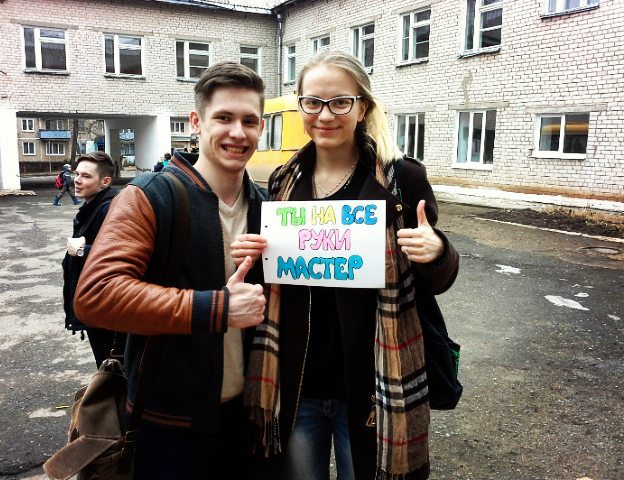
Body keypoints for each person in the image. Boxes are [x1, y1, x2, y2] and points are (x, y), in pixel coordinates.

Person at [235, 50, 460, 480]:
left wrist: (437, 251)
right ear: (300, 105)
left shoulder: (400, 178)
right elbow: (279, 274)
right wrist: (253, 254)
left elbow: (437, 278)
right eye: (313, 102)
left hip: (375, 386)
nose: (325, 115)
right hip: (298, 382)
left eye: (340, 102)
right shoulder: (284, 181)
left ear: (362, 107)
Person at [74, 62, 267, 479]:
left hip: (250, 414)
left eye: (249, 121)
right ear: (196, 122)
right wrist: (216, 308)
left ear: (261, 128)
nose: (238, 132)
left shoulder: (268, 206)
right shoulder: (151, 195)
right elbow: (96, 295)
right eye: (224, 118)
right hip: (167, 423)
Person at [62, 152, 119, 368]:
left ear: (105, 181)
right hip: (97, 302)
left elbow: (124, 253)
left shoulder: (109, 209)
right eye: (77, 174)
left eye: (86, 176)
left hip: (106, 307)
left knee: (112, 368)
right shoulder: (94, 206)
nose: (77, 180)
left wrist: (82, 251)